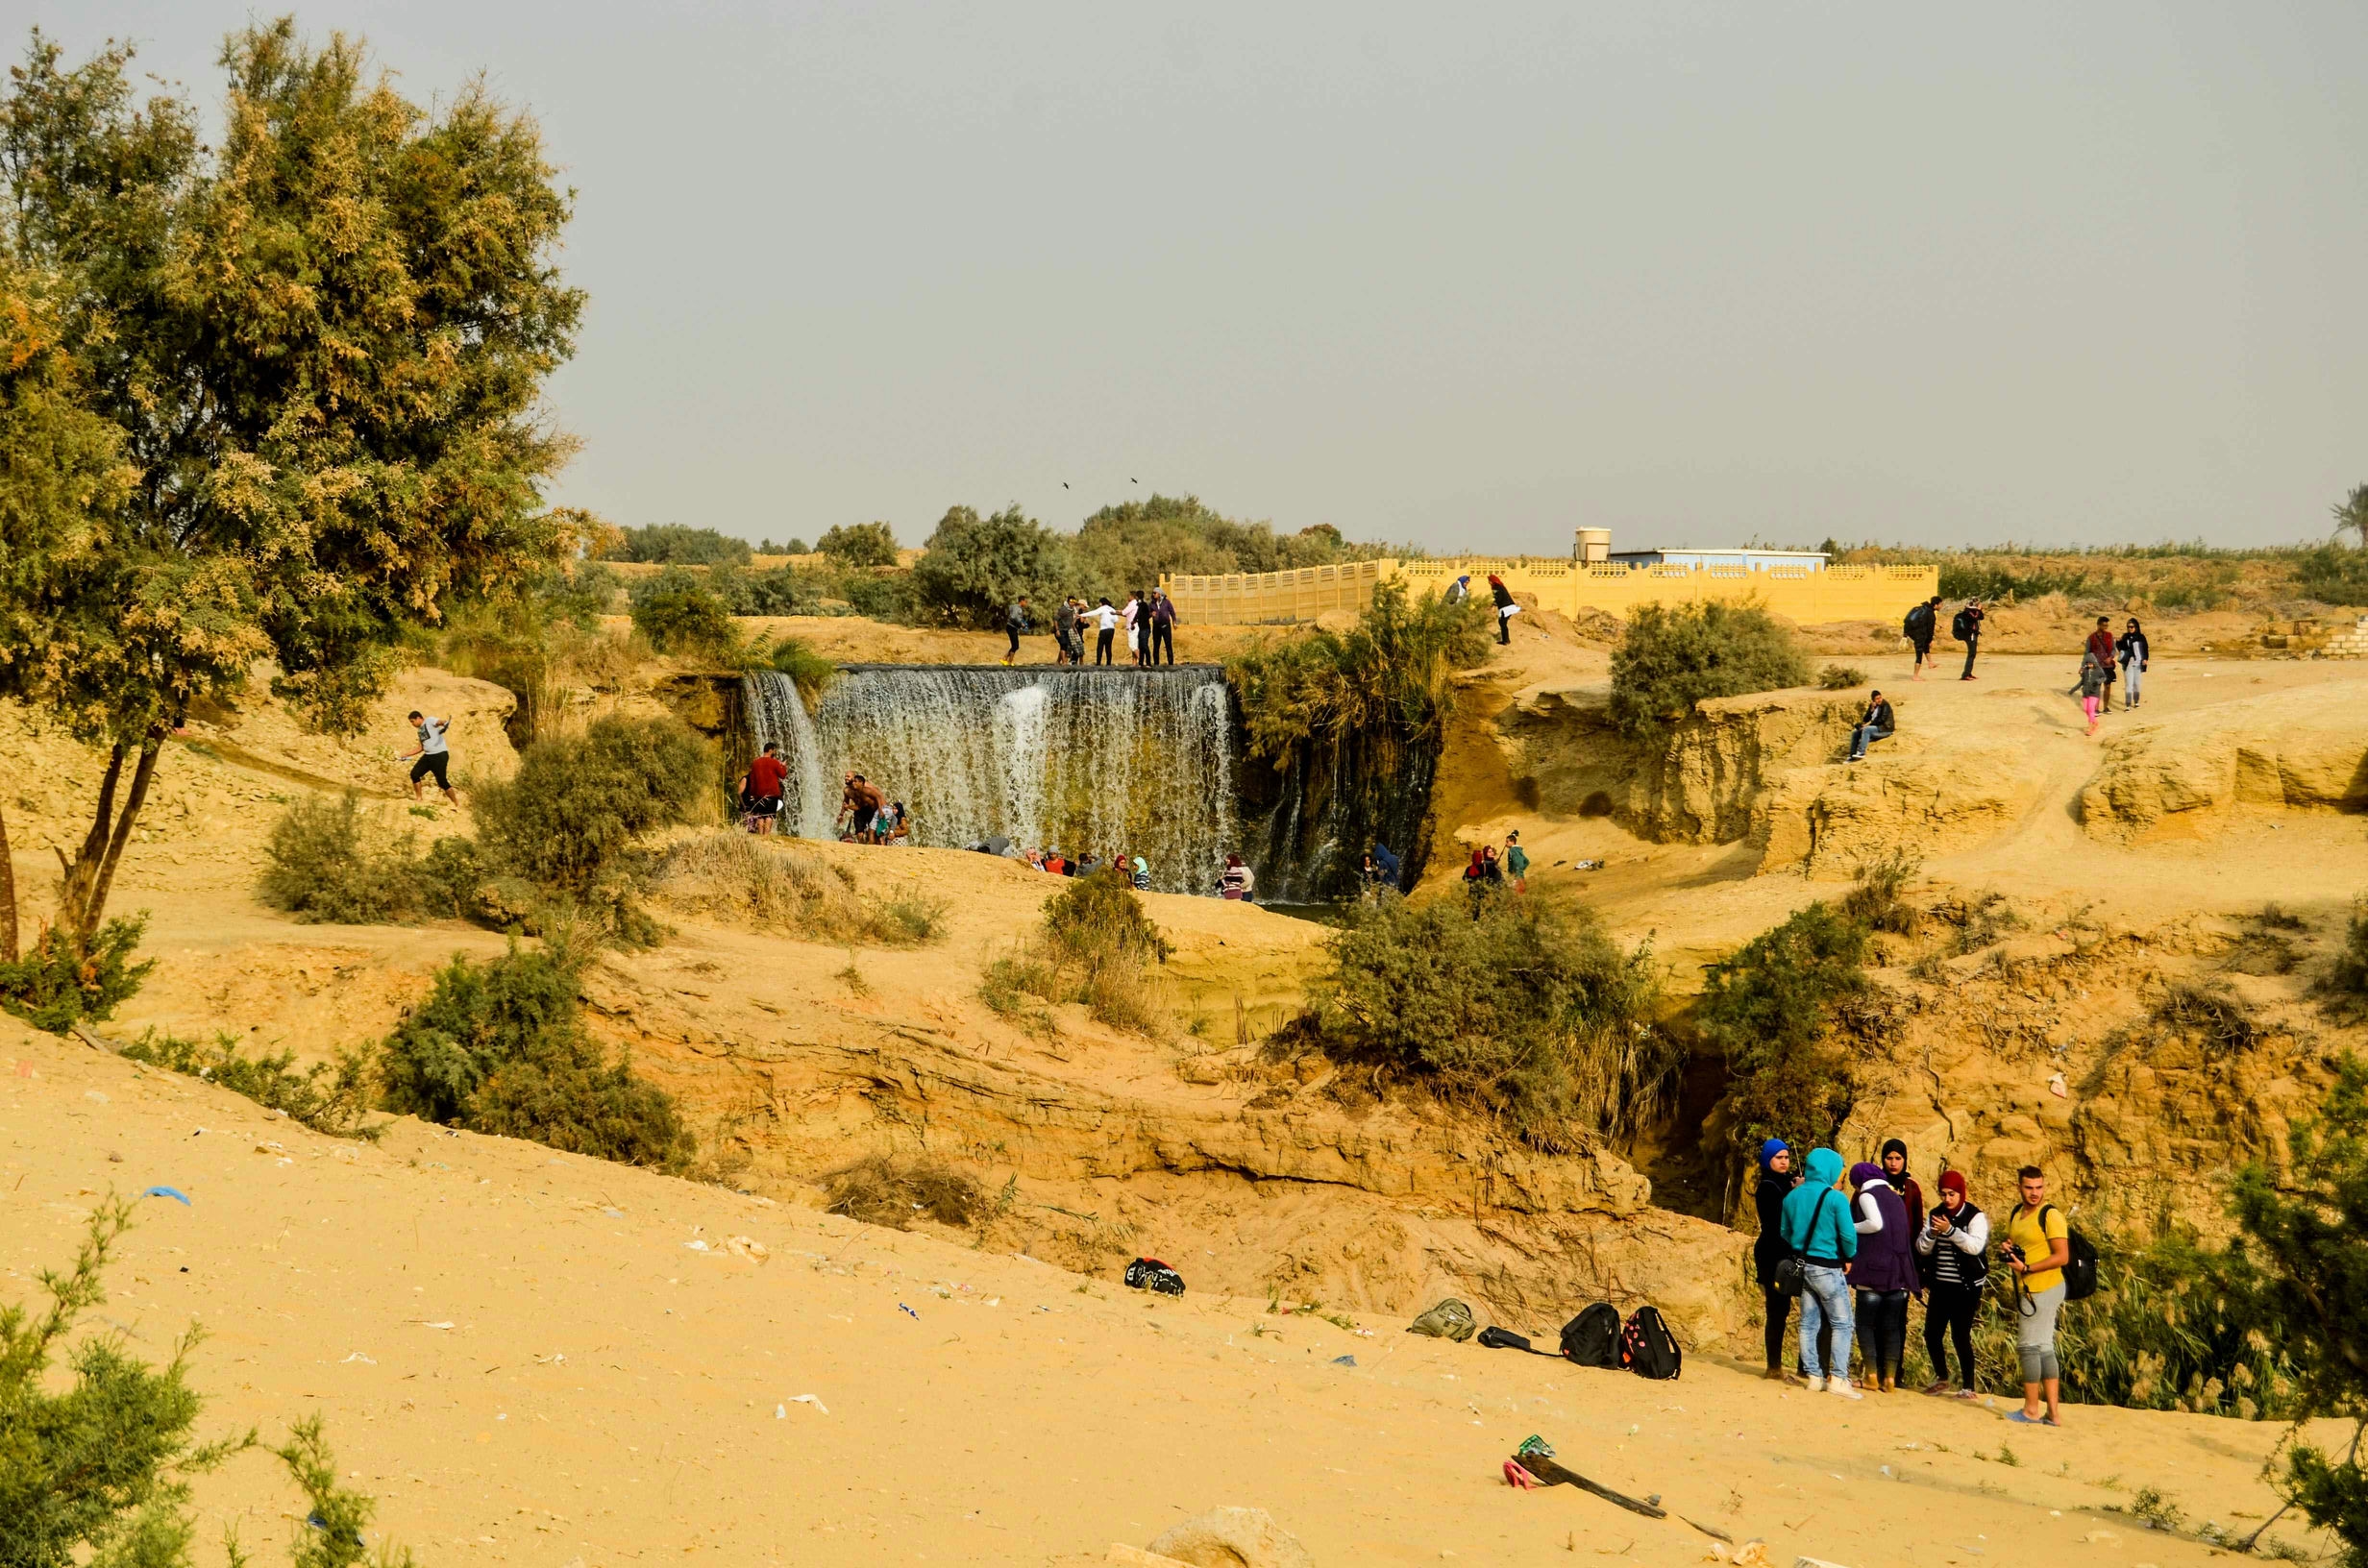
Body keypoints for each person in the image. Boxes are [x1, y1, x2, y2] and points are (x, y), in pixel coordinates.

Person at [1780, 1147, 1861, 1398]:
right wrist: (1849, 1255)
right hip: (1828, 1267)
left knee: (1807, 1324)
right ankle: (1838, 1378)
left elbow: (1785, 1231)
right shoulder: (1835, 1198)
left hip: (1804, 1266)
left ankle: (1814, 1377)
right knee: (1843, 1323)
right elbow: (1848, 1235)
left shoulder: (1792, 1197)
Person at [2004, 1164, 2072, 1426]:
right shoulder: (2018, 1213)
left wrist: (2028, 1268)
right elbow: (2020, 1240)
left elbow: (2062, 1256)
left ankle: (2031, 1410)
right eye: (2029, 1187)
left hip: (2044, 1286)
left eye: (2039, 1187)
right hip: (2030, 1287)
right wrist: (2009, 1247)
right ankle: (2053, 1414)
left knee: (2028, 1347)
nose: (2035, 1193)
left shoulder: (2050, 1214)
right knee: (2043, 1347)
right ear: (2019, 1187)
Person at [1914, 1169, 1989, 1398]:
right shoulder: (1935, 1214)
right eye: (1944, 1194)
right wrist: (1933, 1234)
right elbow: (1921, 1247)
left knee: (1960, 1335)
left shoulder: (1975, 1216)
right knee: (1932, 1333)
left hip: (1966, 1287)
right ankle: (1942, 1378)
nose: (1947, 1199)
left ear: (1961, 1193)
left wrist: (1951, 1231)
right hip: (1940, 1284)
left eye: (1952, 1194)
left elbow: (1975, 1246)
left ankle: (1968, 1386)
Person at [1849, 1161, 1915, 1394]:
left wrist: (1849, 1226)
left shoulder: (1867, 1195)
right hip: (1898, 1274)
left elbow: (1875, 1224)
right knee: (1891, 1328)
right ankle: (1890, 1378)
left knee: (1865, 1324)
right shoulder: (1895, 1197)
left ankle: (1871, 1376)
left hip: (1873, 1272)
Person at [1751, 1139, 1801, 1382]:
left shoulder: (1786, 1183)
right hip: (1772, 1256)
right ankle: (1774, 1367)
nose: (1784, 1162)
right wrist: (1796, 1192)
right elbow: (1776, 1221)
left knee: (1794, 1310)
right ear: (1767, 1160)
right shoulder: (1767, 1186)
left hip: (1787, 1254)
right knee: (1777, 1310)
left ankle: (1804, 1367)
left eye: (1786, 1157)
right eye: (1778, 1157)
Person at [400, 710, 459, 805]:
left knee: (442, 781)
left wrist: (444, 723)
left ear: (418, 718)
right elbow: (421, 747)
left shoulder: (429, 720)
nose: (412, 724)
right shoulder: (420, 731)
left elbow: (439, 722)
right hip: (428, 756)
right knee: (414, 774)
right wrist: (407, 754)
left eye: (412, 721)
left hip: (439, 755)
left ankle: (456, 803)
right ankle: (419, 799)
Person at [742, 741, 789, 835]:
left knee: (760, 815)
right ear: (771, 750)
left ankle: (760, 835)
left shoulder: (755, 762)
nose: (775, 753)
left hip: (758, 793)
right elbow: (783, 775)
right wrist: (783, 766)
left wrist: (752, 793)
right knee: (769, 815)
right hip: (772, 793)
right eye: (774, 751)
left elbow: (752, 779)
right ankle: (766, 836)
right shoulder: (775, 762)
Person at [1879, 1139, 1924, 1226]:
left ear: (1905, 1160)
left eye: (1898, 1158)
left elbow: (1918, 1223)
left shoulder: (1912, 1187)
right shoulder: (1874, 1184)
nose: (1893, 1163)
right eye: (1889, 1158)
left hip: (1904, 1238)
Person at [1848, 690, 1895, 763]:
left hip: (1885, 729)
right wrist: (1871, 710)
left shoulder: (1885, 705)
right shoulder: (1873, 706)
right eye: (1877, 699)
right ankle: (1852, 756)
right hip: (1876, 729)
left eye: (1880, 698)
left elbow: (1882, 719)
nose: (1879, 700)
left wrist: (1868, 725)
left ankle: (1861, 752)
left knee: (1867, 730)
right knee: (1855, 733)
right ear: (1873, 700)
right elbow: (1865, 719)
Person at [836, 772, 885, 843]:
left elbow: (878, 795)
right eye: (845, 776)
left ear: (854, 778)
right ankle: (861, 848)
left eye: (848, 776)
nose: (846, 778)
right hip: (859, 810)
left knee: (874, 832)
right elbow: (845, 802)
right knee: (859, 833)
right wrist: (841, 814)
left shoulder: (865, 786)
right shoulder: (846, 790)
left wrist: (883, 809)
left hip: (870, 809)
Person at [1905, 595, 1943, 680]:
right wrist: (1930, 640)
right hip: (1920, 635)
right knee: (1919, 655)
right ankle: (1915, 676)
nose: (1941, 606)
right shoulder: (1931, 614)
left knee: (1925, 645)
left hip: (1916, 633)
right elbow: (1930, 630)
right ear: (1936, 605)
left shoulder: (1923, 609)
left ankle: (1930, 663)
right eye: (1941, 604)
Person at [2085, 615, 2118, 710]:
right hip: (2096, 666)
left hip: (2107, 665)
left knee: (2107, 686)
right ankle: (2096, 708)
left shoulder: (2109, 635)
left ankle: (2106, 707)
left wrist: (2110, 657)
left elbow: (2113, 649)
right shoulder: (2091, 637)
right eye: (2104, 625)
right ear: (2098, 625)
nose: (2105, 627)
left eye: (2106, 625)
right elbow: (2088, 652)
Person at [2117, 617, 2149, 710]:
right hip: (2128, 663)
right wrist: (2118, 642)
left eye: (2132, 627)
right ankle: (2127, 704)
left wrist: (2145, 659)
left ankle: (2136, 701)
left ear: (2136, 627)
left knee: (2137, 684)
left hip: (2138, 663)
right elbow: (2121, 649)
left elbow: (2145, 649)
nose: (2130, 629)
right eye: (2128, 627)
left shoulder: (2141, 637)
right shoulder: (2125, 637)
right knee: (2129, 684)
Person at [2076, 646, 2108, 737]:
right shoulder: (2086, 670)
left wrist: (2098, 681)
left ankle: (2091, 727)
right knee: (2086, 709)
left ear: (2094, 662)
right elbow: (2083, 679)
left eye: (2091, 663)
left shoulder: (2099, 670)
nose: (2089, 665)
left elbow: (2104, 677)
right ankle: (2095, 722)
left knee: (2090, 708)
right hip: (2086, 693)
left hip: (2094, 693)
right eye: (2088, 663)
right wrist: (2081, 673)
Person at [1954, 600, 1985, 680]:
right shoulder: (1968, 612)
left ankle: (1968, 673)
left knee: (1972, 654)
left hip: (1972, 634)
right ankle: (1965, 674)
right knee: (1971, 654)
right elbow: (1974, 618)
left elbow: (1981, 617)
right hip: (1970, 634)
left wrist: (1979, 610)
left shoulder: (1971, 612)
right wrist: (1978, 610)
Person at [1488, 574, 1517, 646]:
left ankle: (1506, 640)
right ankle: (1505, 640)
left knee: (1502, 623)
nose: (1489, 582)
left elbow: (1499, 598)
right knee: (1502, 622)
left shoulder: (1498, 587)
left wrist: (1493, 603)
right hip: (1507, 607)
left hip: (1506, 607)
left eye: (1489, 581)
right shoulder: (1499, 587)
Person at [1149, 589, 1177, 666]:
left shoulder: (1167, 602)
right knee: (1156, 646)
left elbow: (1172, 612)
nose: (1153, 594)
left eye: (1155, 593)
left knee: (1168, 645)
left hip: (1166, 627)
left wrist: (1174, 622)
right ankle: (1156, 664)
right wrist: (1151, 614)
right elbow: (1147, 614)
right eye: (1153, 593)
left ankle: (1171, 663)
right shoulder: (1152, 603)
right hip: (1156, 627)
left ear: (1160, 594)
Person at [1090, 597, 1120, 666]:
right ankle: (1108, 663)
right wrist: (1110, 621)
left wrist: (1081, 615)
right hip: (1111, 630)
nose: (1099, 604)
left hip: (1103, 630)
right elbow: (1116, 620)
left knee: (1100, 646)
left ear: (1102, 603)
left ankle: (1098, 663)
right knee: (1108, 647)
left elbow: (1093, 613)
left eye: (1100, 603)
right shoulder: (1112, 609)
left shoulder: (1102, 608)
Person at [1055, 597, 1082, 666]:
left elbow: (1071, 621)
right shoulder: (1063, 609)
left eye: (1073, 602)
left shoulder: (1071, 610)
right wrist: (1057, 630)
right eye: (1071, 602)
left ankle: (1058, 661)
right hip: (1061, 630)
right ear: (1067, 602)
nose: (1072, 603)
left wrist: (1074, 629)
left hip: (1067, 630)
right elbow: (1055, 619)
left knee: (1065, 646)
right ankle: (1064, 662)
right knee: (1063, 645)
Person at [1004, 596, 1031, 666]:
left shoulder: (1015, 607)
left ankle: (1006, 659)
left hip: (1012, 627)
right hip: (1011, 627)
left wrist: (1020, 624)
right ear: (1021, 601)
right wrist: (1020, 624)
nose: (1026, 603)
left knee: (1015, 645)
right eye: (1025, 601)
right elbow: (1013, 617)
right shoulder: (1018, 608)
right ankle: (1009, 661)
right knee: (1015, 645)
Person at [1504, 829, 1530, 893]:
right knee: (1522, 892)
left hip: (1516, 876)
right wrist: (1521, 869)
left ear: (1512, 841)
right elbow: (1527, 861)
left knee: (1516, 894)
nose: (1506, 844)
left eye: (1507, 842)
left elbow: (1516, 862)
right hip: (1521, 875)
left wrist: (1513, 870)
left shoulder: (1512, 850)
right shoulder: (1519, 850)